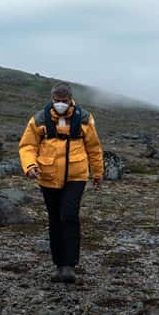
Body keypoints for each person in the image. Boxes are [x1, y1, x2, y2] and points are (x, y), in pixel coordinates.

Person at [19, 82, 104, 283]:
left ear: (71, 99)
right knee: (55, 219)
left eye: (64, 101)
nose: (60, 104)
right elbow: (28, 146)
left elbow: (94, 147)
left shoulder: (84, 119)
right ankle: (59, 265)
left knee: (69, 216)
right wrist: (30, 166)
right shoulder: (39, 119)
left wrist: (98, 172)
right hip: (48, 177)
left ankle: (69, 265)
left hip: (76, 176)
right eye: (57, 101)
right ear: (52, 99)